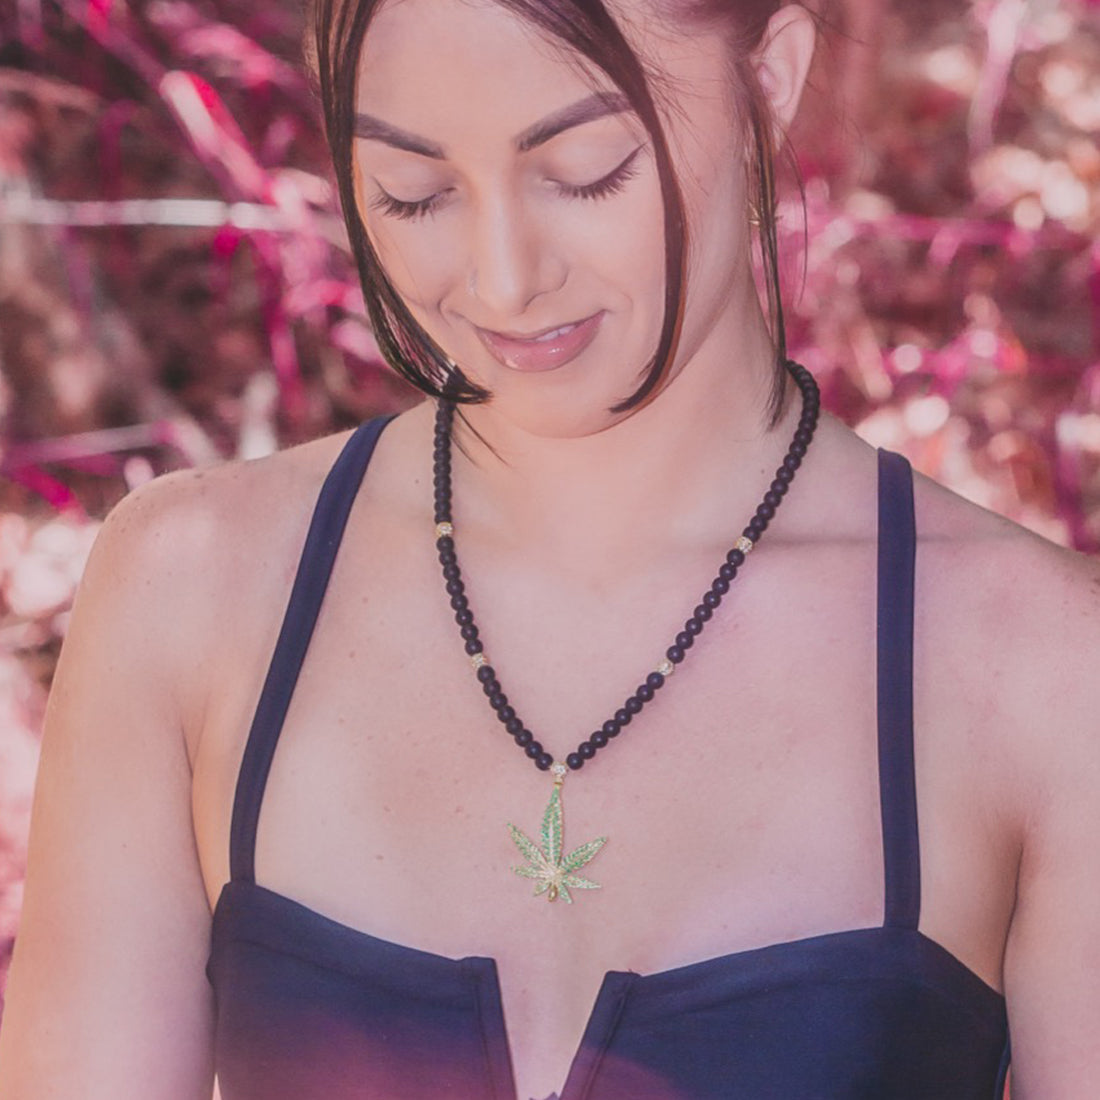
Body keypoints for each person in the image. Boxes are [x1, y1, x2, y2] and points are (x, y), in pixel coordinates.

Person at [0, 0, 1097, 1096]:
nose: (503, 279)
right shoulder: (189, 587)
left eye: (586, 171)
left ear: (769, 80)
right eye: (413, 191)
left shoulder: (1037, 669)